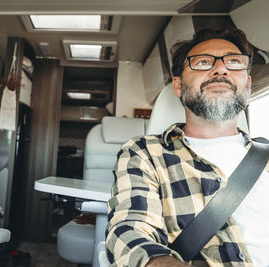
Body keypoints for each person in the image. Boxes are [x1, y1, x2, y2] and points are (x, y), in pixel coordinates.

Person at [106, 27, 268, 267]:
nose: (221, 69)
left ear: (248, 85)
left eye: (234, 62)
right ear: (178, 86)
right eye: (203, 62)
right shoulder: (145, 152)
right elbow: (130, 229)